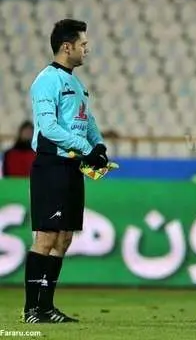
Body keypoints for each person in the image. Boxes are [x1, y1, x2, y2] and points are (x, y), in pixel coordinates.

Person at [23, 19, 109, 324]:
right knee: (46, 238)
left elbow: (87, 120)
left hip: (72, 167)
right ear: (66, 47)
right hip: (52, 166)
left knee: (64, 239)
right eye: (83, 44)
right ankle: (31, 309)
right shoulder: (46, 81)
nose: (87, 49)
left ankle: (46, 307)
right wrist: (85, 147)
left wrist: (98, 145)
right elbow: (48, 128)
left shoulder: (76, 84)